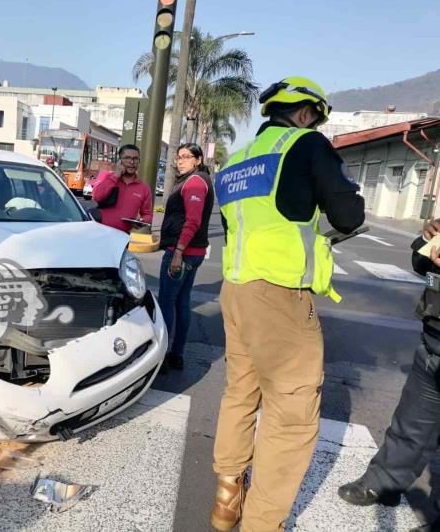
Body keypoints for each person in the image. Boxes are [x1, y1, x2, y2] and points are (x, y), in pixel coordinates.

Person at [209, 76, 365, 532]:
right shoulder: (307, 145)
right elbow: (349, 216)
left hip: (235, 291)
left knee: (241, 392)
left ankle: (225, 497)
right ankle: (262, 523)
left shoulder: (237, 161)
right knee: (291, 414)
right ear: (304, 113)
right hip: (279, 295)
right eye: (315, 118)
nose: (315, 125)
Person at [337, 218, 440, 532]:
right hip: (434, 337)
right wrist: (428, 239)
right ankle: (385, 481)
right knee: (412, 422)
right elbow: (422, 266)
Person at [157, 143, 213, 372]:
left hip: (183, 254)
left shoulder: (195, 183)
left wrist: (178, 252)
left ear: (198, 160)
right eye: (178, 157)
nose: (180, 161)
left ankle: (162, 356)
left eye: (186, 157)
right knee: (181, 302)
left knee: (167, 302)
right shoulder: (195, 180)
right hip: (193, 253)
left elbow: (193, 221)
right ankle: (176, 354)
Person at [91, 144, 153, 233]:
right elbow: (97, 196)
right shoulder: (107, 177)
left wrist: (142, 221)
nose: (132, 162)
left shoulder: (144, 188)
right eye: (127, 158)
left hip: (123, 237)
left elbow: (148, 214)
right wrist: (115, 176)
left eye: (135, 159)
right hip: (99, 232)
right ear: (119, 161)